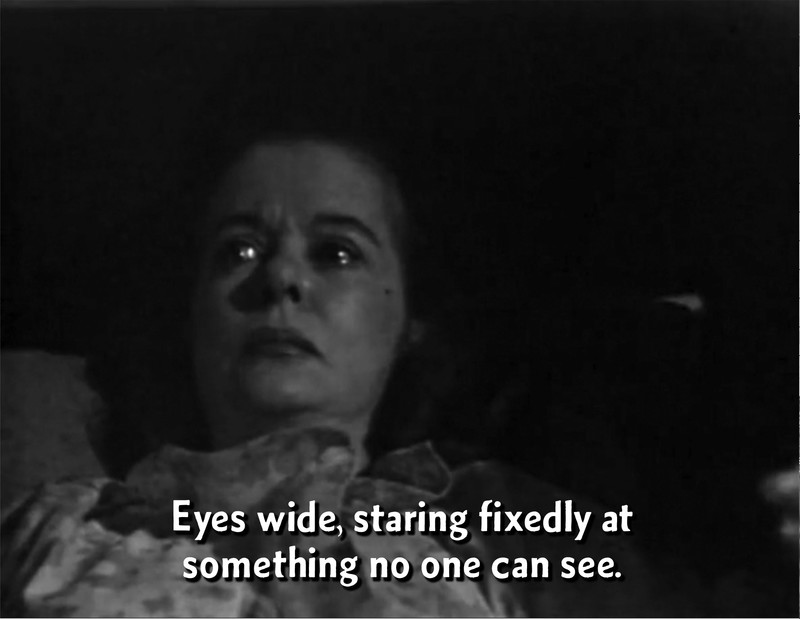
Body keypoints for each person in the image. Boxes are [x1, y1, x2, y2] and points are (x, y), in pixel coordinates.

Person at [0, 129, 710, 617]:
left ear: (408, 321)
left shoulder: (513, 537)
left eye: (337, 253)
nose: (280, 277)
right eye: (237, 250)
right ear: (191, 316)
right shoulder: (58, 530)